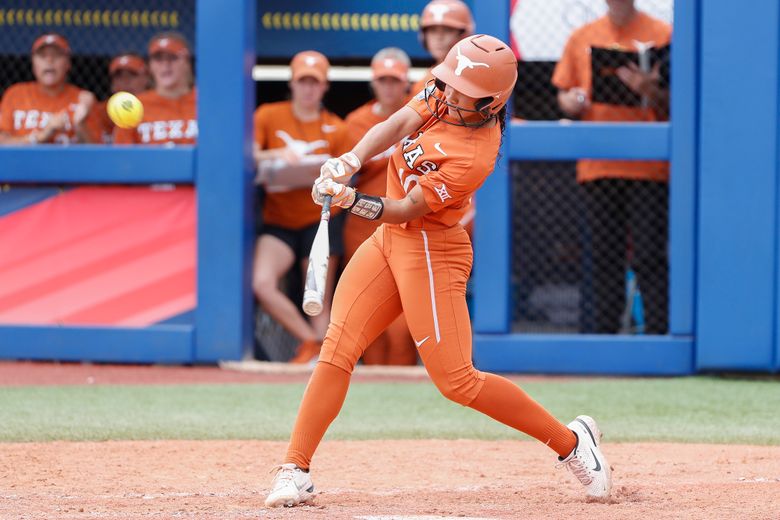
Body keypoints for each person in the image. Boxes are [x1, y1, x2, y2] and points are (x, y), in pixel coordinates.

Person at [264, 34, 612, 508]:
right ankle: (295, 467)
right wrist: (350, 160)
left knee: (458, 382)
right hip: (389, 242)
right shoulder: (447, 87)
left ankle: (570, 444)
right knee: (337, 347)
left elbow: (407, 208)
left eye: (462, 92)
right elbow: (399, 121)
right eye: (447, 84)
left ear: (491, 103)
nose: (448, 95)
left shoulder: (475, 154)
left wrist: (351, 199)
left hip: (432, 250)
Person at [552, 0, 671, 334]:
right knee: (603, 258)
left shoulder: (663, 34)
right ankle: (602, 339)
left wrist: (649, 90)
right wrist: (572, 102)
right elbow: (563, 94)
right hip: (598, 165)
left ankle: (659, 338)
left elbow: (680, 103)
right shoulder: (582, 36)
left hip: (648, 167)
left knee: (649, 256)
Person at [252, 51, 350, 364]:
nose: (308, 89)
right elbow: (249, 155)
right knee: (262, 283)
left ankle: (327, 361)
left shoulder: (336, 127)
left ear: (325, 86)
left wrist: (322, 172)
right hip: (278, 218)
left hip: (320, 219)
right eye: (303, 81)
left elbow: (347, 176)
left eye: (315, 82)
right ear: (292, 83)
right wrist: (278, 156)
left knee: (317, 296)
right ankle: (311, 341)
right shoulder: (268, 114)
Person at [341, 48, 417, 366]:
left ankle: (402, 381)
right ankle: (374, 384)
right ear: (373, 83)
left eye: (394, 80)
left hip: (407, 224)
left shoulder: (421, 114)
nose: (388, 87)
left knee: (403, 322)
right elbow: (345, 175)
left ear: (406, 82)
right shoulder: (356, 121)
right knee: (369, 313)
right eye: (383, 80)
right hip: (363, 226)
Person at [0, 33, 100, 145]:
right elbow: (2, 142)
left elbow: (99, 152)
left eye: (56, 55)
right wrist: (40, 136)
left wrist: (80, 125)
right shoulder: (15, 94)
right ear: (33, 63)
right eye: (42, 56)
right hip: (23, 157)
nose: (49, 60)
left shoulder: (83, 99)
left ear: (68, 63)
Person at [114, 32, 197, 145]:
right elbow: (121, 153)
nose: (165, 64)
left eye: (172, 58)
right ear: (151, 66)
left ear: (186, 62)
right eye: (158, 59)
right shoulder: (133, 106)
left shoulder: (205, 102)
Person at [411, 0, 474, 95]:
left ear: (463, 35)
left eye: (447, 30)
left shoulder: (474, 78)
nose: (439, 37)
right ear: (424, 36)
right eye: (433, 30)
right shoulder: (421, 84)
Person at [96, 53, 151, 143]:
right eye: (119, 76)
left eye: (132, 75)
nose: (125, 81)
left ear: (146, 79)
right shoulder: (100, 112)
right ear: (112, 84)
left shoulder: (156, 107)